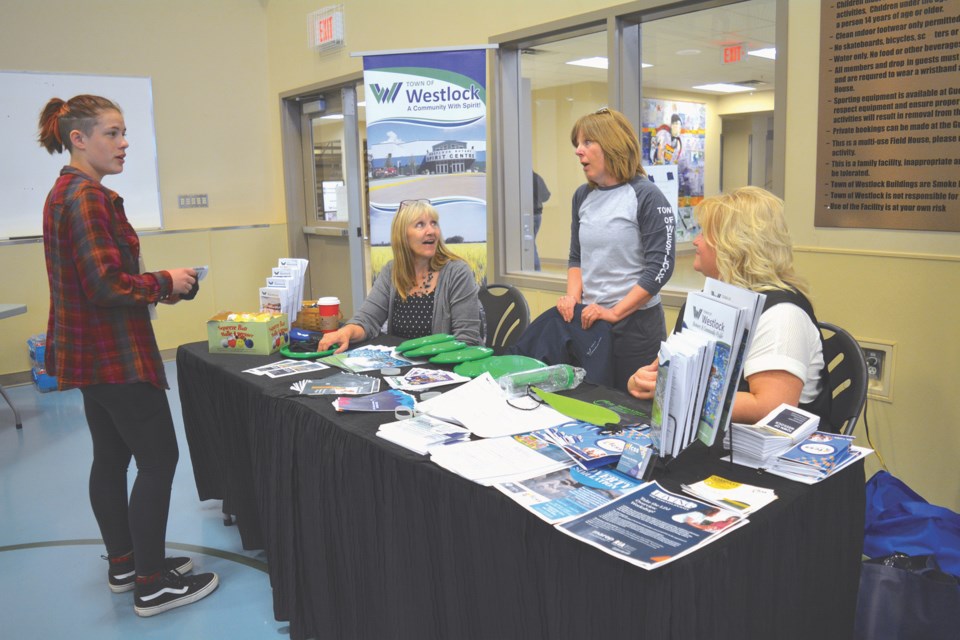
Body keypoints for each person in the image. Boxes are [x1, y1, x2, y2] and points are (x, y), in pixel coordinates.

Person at [38, 95, 218, 617]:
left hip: (90, 358)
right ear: (78, 139)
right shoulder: (88, 197)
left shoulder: (63, 193)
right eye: (112, 133)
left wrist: (158, 285)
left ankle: (124, 563)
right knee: (159, 459)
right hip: (114, 356)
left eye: (124, 133)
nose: (124, 143)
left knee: (112, 458)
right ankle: (152, 583)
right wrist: (167, 282)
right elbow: (105, 283)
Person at [628, 186, 829, 426]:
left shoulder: (782, 314)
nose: (695, 241)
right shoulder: (704, 304)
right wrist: (642, 382)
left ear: (732, 245)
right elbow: (664, 372)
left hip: (770, 454)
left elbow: (770, 407)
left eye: (704, 233)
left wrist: (677, 395)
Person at [559, 107, 676, 390]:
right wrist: (572, 299)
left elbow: (660, 267)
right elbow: (577, 258)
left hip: (636, 328)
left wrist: (614, 312)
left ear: (612, 146)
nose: (578, 151)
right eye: (577, 143)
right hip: (592, 322)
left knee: (631, 412)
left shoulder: (646, 195)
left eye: (587, 142)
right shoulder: (582, 196)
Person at [318, 199, 481, 353]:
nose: (431, 231)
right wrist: (345, 332)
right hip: (402, 369)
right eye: (420, 225)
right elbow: (368, 320)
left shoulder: (457, 272)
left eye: (434, 223)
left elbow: (467, 340)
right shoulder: (392, 271)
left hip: (445, 368)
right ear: (402, 236)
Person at [532, 171, 551, 271]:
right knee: (530, 243)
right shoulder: (537, 177)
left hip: (529, 215)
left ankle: (536, 271)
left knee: (529, 245)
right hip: (537, 215)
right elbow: (546, 196)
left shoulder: (522, 178)